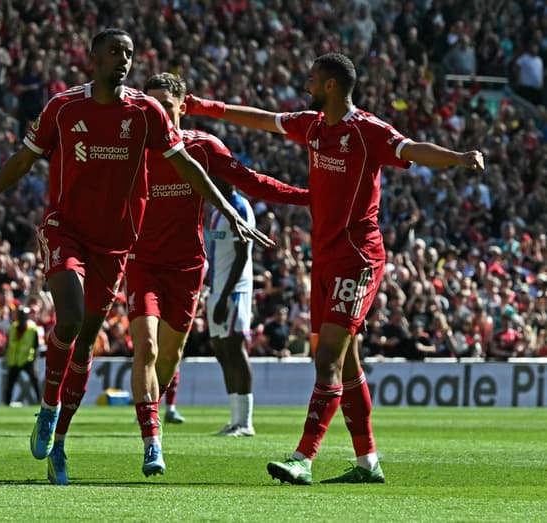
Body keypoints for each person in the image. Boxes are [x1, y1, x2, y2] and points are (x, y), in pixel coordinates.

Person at [0, 28, 270, 485]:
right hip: (66, 230)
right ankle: (49, 408)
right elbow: (22, 160)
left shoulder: (146, 111)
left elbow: (186, 163)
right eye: (114, 52)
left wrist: (227, 207)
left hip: (115, 244)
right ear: (91, 58)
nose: (123, 60)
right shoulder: (64, 107)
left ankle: (59, 445)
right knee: (69, 320)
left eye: (129, 53)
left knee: (86, 341)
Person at [187, 52, 484, 484]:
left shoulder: (367, 131)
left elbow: (411, 149)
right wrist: (206, 108)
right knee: (345, 365)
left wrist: (457, 157)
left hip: (358, 258)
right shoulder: (311, 125)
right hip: (324, 259)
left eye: (312, 76)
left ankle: (303, 458)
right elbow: (265, 119)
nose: (305, 80)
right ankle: (368, 462)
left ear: (329, 85)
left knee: (326, 358)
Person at [126, 72, 309, 473]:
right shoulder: (132, 147)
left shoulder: (203, 148)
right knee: (148, 347)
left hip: (188, 266)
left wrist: (309, 197)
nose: (157, 115)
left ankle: (158, 410)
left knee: (170, 355)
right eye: (150, 107)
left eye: (165, 108)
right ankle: (151, 440)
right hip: (142, 263)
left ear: (181, 107)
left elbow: (252, 182)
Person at [206, 177, 257, 438]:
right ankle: (235, 418)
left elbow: (242, 255)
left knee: (235, 348)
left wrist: (226, 295)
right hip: (215, 289)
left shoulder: (240, 208)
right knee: (222, 351)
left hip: (234, 290)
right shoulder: (217, 211)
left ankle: (246, 422)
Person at [4, 307, 41, 406]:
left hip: (27, 360)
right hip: (14, 360)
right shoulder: (12, 328)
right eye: (20, 316)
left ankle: (40, 401)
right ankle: (6, 403)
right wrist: (6, 357)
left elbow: (36, 346)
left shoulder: (33, 330)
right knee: (10, 384)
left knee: (35, 380)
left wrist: (34, 362)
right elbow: (7, 344)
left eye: (24, 316)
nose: (22, 319)